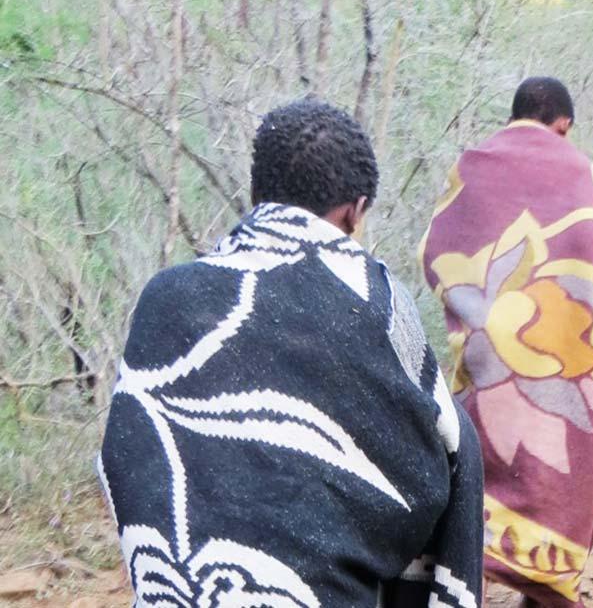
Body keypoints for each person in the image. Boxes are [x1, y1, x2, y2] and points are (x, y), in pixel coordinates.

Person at [98, 99, 484, 608]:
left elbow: (129, 459)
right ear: (356, 211)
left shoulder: (166, 297)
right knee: (457, 434)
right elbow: (433, 461)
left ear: (257, 194)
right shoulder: (375, 298)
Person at [420, 77, 593, 607]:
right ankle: (550, 593)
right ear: (564, 125)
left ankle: (476, 582)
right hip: (575, 363)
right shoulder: (577, 167)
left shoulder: (468, 165)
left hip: (487, 358)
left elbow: (434, 248)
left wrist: (479, 313)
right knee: (561, 490)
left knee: (481, 488)